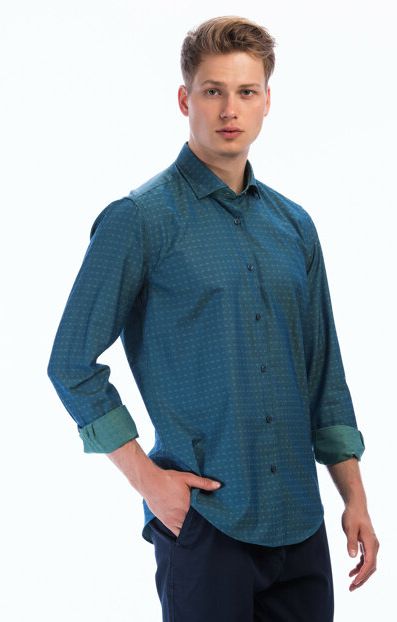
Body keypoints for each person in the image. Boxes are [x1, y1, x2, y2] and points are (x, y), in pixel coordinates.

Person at [47, 15, 379, 622]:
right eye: (213, 91)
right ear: (185, 99)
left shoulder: (295, 225)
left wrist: (353, 496)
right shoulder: (139, 220)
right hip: (205, 524)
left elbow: (323, 374)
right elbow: (70, 363)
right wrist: (148, 481)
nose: (230, 109)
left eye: (246, 91)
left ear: (267, 101)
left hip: (300, 522)